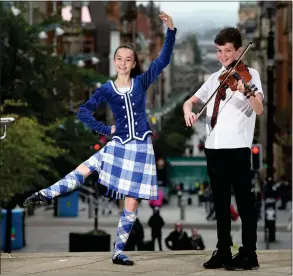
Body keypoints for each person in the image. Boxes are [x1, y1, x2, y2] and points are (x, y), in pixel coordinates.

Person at [23, 12, 176, 266]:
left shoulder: (141, 82)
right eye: (120, 59)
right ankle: (45, 194)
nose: (124, 63)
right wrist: (105, 130)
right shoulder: (107, 88)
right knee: (84, 168)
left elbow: (163, 60)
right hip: (118, 144)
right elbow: (83, 111)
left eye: (129, 59)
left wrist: (170, 31)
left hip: (140, 148)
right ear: (115, 61)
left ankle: (118, 251)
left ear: (134, 62)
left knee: (131, 201)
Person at [183, 27, 264, 271]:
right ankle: (223, 251)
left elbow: (259, 108)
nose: (223, 55)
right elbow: (191, 100)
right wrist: (188, 110)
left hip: (237, 148)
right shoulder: (216, 77)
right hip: (214, 148)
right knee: (220, 204)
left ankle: (249, 253)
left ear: (239, 50)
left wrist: (245, 90)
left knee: (244, 203)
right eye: (219, 51)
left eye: (228, 51)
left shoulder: (250, 75)